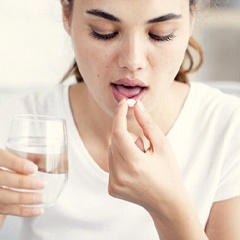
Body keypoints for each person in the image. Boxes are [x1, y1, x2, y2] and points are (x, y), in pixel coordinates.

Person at [0, 0, 240, 239]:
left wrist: (170, 210)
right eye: (104, 32)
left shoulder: (228, 129)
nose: (132, 61)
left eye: (160, 34)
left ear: (191, 18)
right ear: (66, 13)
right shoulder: (17, 127)